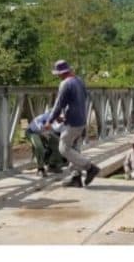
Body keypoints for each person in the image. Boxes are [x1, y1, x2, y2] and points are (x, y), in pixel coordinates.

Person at [44, 60, 100, 188]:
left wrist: (49, 121)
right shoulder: (79, 81)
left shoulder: (65, 84)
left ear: (61, 73)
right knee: (74, 149)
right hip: (81, 120)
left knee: (63, 148)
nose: (58, 76)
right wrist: (65, 115)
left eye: (58, 74)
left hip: (72, 122)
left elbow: (59, 105)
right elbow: (80, 99)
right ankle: (76, 178)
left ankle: (90, 167)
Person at [26, 112, 66, 177]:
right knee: (39, 147)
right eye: (61, 118)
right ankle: (40, 168)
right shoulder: (47, 116)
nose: (61, 120)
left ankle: (52, 165)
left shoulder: (57, 121)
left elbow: (57, 129)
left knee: (59, 143)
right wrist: (43, 131)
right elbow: (37, 124)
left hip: (45, 132)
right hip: (32, 132)